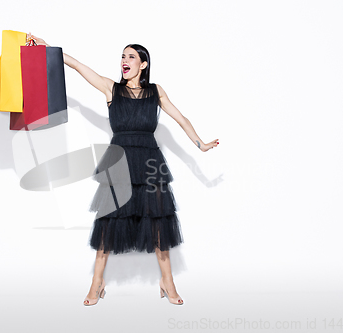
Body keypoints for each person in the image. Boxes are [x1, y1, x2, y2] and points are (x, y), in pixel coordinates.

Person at [27, 33, 219, 306]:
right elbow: (80, 67)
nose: (124, 61)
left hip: (150, 163)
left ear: (143, 64)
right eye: (122, 56)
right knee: (108, 223)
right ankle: (97, 282)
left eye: (131, 56)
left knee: (158, 222)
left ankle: (167, 281)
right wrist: (50, 49)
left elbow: (181, 118)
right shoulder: (110, 89)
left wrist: (200, 144)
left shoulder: (156, 91)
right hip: (119, 161)